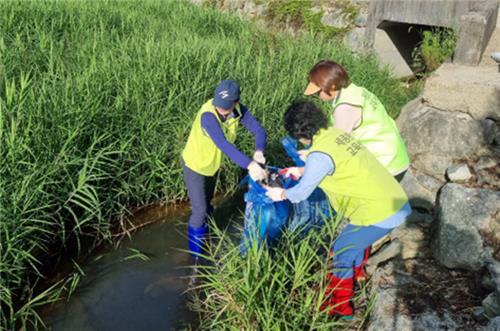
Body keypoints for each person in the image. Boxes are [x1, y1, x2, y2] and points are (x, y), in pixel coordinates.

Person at [265, 101, 411, 320]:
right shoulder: (334, 134)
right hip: (391, 199)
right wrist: (301, 169)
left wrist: (281, 194)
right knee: (352, 239)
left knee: (342, 248)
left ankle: (341, 308)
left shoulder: (319, 155)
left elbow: (301, 193)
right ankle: (358, 274)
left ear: (299, 134)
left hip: (381, 210)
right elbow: (331, 163)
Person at [182, 80, 267, 258]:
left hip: (212, 167)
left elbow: (259, 130)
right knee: (199, 210)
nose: (222, 110)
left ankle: (208, 237)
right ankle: (196, 259)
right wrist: (250, 165)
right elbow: (223, 144)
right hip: (195, 166)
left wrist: (259, 151)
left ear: (236, 102)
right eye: (219, 105)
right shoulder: (208, 116)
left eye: (226, 107)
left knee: (208, 203)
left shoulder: (237, 110)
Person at [304, 60, 409, 182]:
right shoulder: (354, 90)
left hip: (385, 163)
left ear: (331, 86)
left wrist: (311, 155)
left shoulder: (344, 107)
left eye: (318, 92)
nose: (317, 96)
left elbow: (338, 146)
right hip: (396, 153)